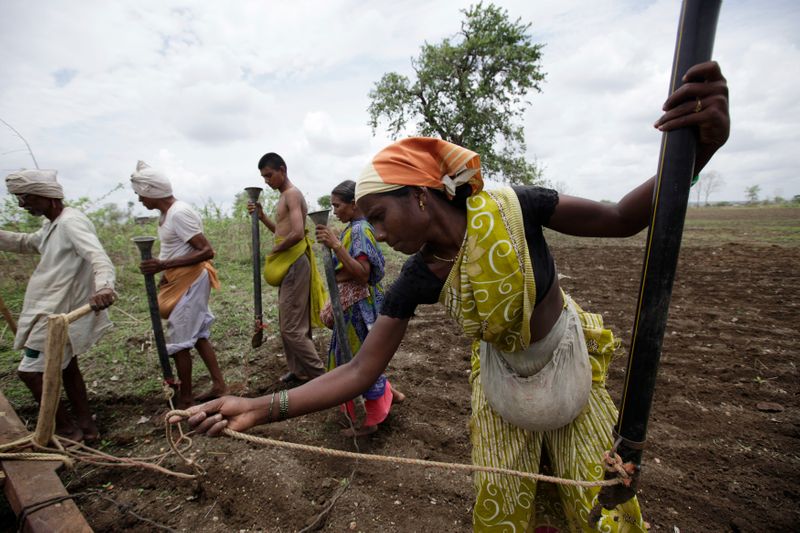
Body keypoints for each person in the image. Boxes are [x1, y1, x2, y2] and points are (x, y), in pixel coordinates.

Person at [177, 62, 730, 531]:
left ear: (420, 197)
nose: (380, 233)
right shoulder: (420, 277)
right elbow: (357, 370)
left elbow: (622, 219)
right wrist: (257, 407)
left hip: (570, 375)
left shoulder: (516, 207)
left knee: (601, 511)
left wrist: (696, 151)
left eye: (379, 216)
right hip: (502, 395)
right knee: (504, 515)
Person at [1, 169, 116, 442]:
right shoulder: (53, 224)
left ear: (47, 196)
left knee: (29, 372)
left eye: (26, 197)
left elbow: (98, 257)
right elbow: (27, 242)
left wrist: (104, 287)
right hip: (51, 309)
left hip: (57, 313)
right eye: (19, 198)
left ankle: (66, 429)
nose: (22, 204)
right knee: (67, 367)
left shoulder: (71, 223)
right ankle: (87, 427)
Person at [131, 161, 228, 409]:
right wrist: (167, 270)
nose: (140, 200)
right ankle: (219, 385)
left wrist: (163, 266)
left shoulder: (179, 213)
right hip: (181, 279)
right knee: (198, 335)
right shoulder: (167, 214)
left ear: (152, 191)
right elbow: (176, 248)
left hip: (192, 280)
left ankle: (186, 397)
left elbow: (207, 251)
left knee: (181, 339)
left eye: (141, 194)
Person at [315, 180, 405, 436]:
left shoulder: (358, 232)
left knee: (356, 364)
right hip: (356, 307)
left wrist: (335, 246)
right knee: (363, 358)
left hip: (359, 309)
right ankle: (391, 395)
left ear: (354, 204)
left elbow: (363, 274)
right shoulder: (355, 228)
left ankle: (370, 422)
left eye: (337, 205)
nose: (335, 212)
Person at [247, 153, 327, 388]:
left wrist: (276, 251)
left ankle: (322, 378)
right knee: (291, 322)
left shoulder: (292, 194)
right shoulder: (284, 196)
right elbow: (282, 232)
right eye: (263, 177)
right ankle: (299, 371)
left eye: (269, 175)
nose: (266, 181)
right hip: (289, 264)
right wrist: (262, 218)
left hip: (293, 263)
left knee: (291, 328)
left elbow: (297, 233)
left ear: (282, 169)